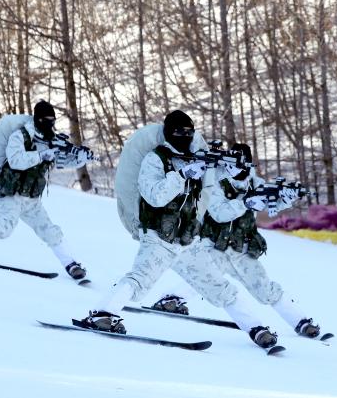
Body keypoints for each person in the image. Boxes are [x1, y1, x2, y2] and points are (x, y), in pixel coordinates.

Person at [80, 111, 272, 349]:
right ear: (169, 133)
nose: (185, 136)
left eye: (189, 132)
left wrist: (234, 171)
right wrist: (181, 175)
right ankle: (102, 315)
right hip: (159, 236)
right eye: (179, 132)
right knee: (140, 279)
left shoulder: (199, 158)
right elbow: (154, 196)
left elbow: (219, 184)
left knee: (218, 285)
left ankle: (256, 328)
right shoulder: (156, 159)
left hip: (187, 239)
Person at [194, 143, 323, 345]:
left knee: (264, 288)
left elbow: (271, 203)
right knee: (207, 282)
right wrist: (245, 202)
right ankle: (170, 300)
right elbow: (219, 214)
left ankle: (301, 322)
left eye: (243, 161)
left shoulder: (255, 182)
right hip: (214, 247)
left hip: (241, 249)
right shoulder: (214, 182)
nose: (238, 167)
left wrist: (286, 198)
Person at [0, 100, 92, 280]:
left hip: (32, 198)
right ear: (37, 119)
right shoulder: (20, 135)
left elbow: (58, 162)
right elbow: (15, 160)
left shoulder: (50, 139)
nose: (50, 123)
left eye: (53, 119)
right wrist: (42, 154)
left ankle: (72, 265)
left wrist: (80, 158)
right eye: (46, 119)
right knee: (7, 223)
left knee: (49, 230)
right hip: (11, 192)